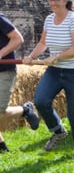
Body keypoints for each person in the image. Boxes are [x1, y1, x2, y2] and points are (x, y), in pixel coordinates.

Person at [23, 0, 74, 157]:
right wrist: (31, 56)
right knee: (40, 100)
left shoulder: (73, 19)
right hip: (55, 70)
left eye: (56, 0)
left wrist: (57, 56)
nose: (52, 3)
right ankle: (58, 130)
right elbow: (43, 43)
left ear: (66, 0)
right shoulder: (49, 19)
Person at [0, 14, 39, 152]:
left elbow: (18, 39)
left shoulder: (0, 19)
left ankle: (25, 110)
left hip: (3, 71)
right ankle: (1, 147)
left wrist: (0, 53)